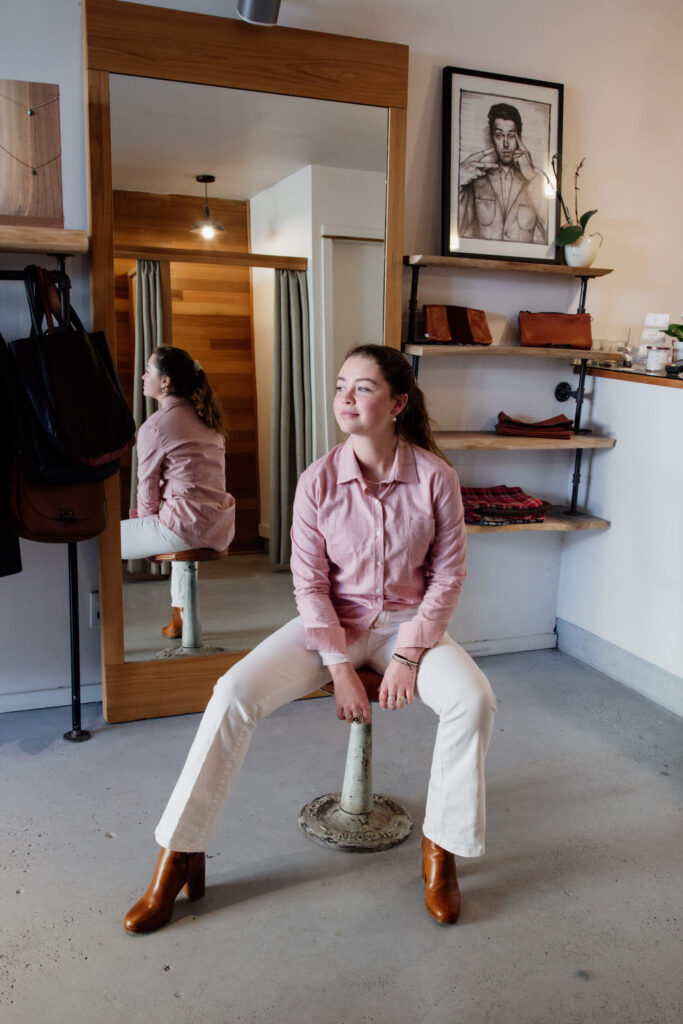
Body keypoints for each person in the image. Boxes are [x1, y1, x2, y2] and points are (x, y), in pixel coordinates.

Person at [123, 344, 496, 933]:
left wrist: (406, 654)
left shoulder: (434, 477)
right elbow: (310, 583)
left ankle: (441, 853)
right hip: (334, 624)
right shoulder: (317, 480)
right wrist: (339, 666)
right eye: (341, 385)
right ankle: (179, 854)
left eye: (364, 388)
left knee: (474, 701)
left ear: (398, 403)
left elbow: (448, 576)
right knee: (232, 691)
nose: (346, 398)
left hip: (408, 625)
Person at [120, 346, 235, 636]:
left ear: (165, 381)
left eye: (149, 370)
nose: (143, 376)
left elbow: (146, 488)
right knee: (178, 524)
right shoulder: (210, 421)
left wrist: (145, 528)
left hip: (185, 526)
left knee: (105, 542)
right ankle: (179, 620)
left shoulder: (155, 427)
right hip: (220, 527)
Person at [458, 101, 548, 244]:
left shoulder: (535, 182)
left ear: (519, 138)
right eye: (499, 135)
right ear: (492, 138)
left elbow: (551, 234)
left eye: (511, 136)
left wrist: (532, 177)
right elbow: (456, 230)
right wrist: (457, 183)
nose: (506, 144)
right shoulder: (477, 181)